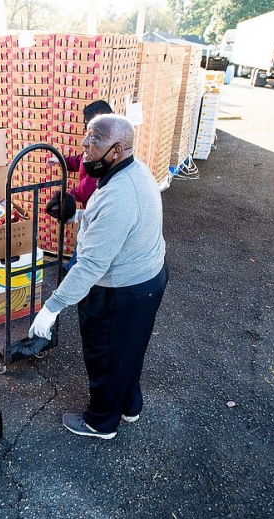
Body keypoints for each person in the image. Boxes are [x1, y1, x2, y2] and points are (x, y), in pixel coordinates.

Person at [29, 114, 168, 440]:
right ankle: (129, 406)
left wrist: (52, 307)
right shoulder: (132, 171)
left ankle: (101, 423)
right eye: (86, 137)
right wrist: (75, 214)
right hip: (145, 279)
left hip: (124, 289)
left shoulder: (119, 194)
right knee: (128, 351)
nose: (85, 145)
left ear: (117, 149)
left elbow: (90, 265)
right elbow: (111, 225)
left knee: (104, 355)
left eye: (95, 139)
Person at [44, 100, 113, 272]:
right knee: (83, 238)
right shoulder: (94, 144)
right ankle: (72, 268)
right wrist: (61, 161)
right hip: (89, 206)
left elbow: (88, 187)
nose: (85, 136)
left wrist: (66, 199)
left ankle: (73, 270)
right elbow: (79, 160)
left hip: (95, 207)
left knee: (86, 240)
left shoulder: (103, 151)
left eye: (88, 126)